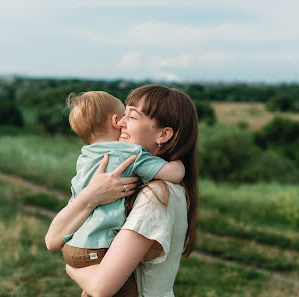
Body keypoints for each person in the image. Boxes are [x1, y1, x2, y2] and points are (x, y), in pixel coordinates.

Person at [45, 85, 198, 297]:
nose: (121, 122)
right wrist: (92, 195)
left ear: (163, 134)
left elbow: (100, 287)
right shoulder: (129, 179)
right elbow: (52, 240)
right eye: (123, 114)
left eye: (132, 117)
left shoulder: (156, 196)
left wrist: (71, 268)